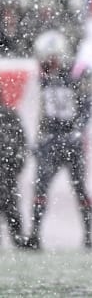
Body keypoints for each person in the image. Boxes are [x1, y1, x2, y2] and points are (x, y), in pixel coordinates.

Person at [26, 29, 92, 250]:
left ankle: (87, 237)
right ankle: (35, 235)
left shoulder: (78, 72)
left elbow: (86, 107)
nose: (47, 64)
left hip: (70, 139)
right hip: (51, 138)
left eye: (50, 59)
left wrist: (77, 131)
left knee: (80, 188)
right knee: (40, 187)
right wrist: (40, 136)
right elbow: (44, 109)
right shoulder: (46, 75)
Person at [0, 87, 28, 249]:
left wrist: (18, 163)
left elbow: (21, 141)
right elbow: (21, 141)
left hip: (7, 167)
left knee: (10, 205)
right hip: (8, 167)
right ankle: (17, 238)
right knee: (11, 205)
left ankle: (17, 238)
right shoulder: (11, 115)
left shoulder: (10, 115)